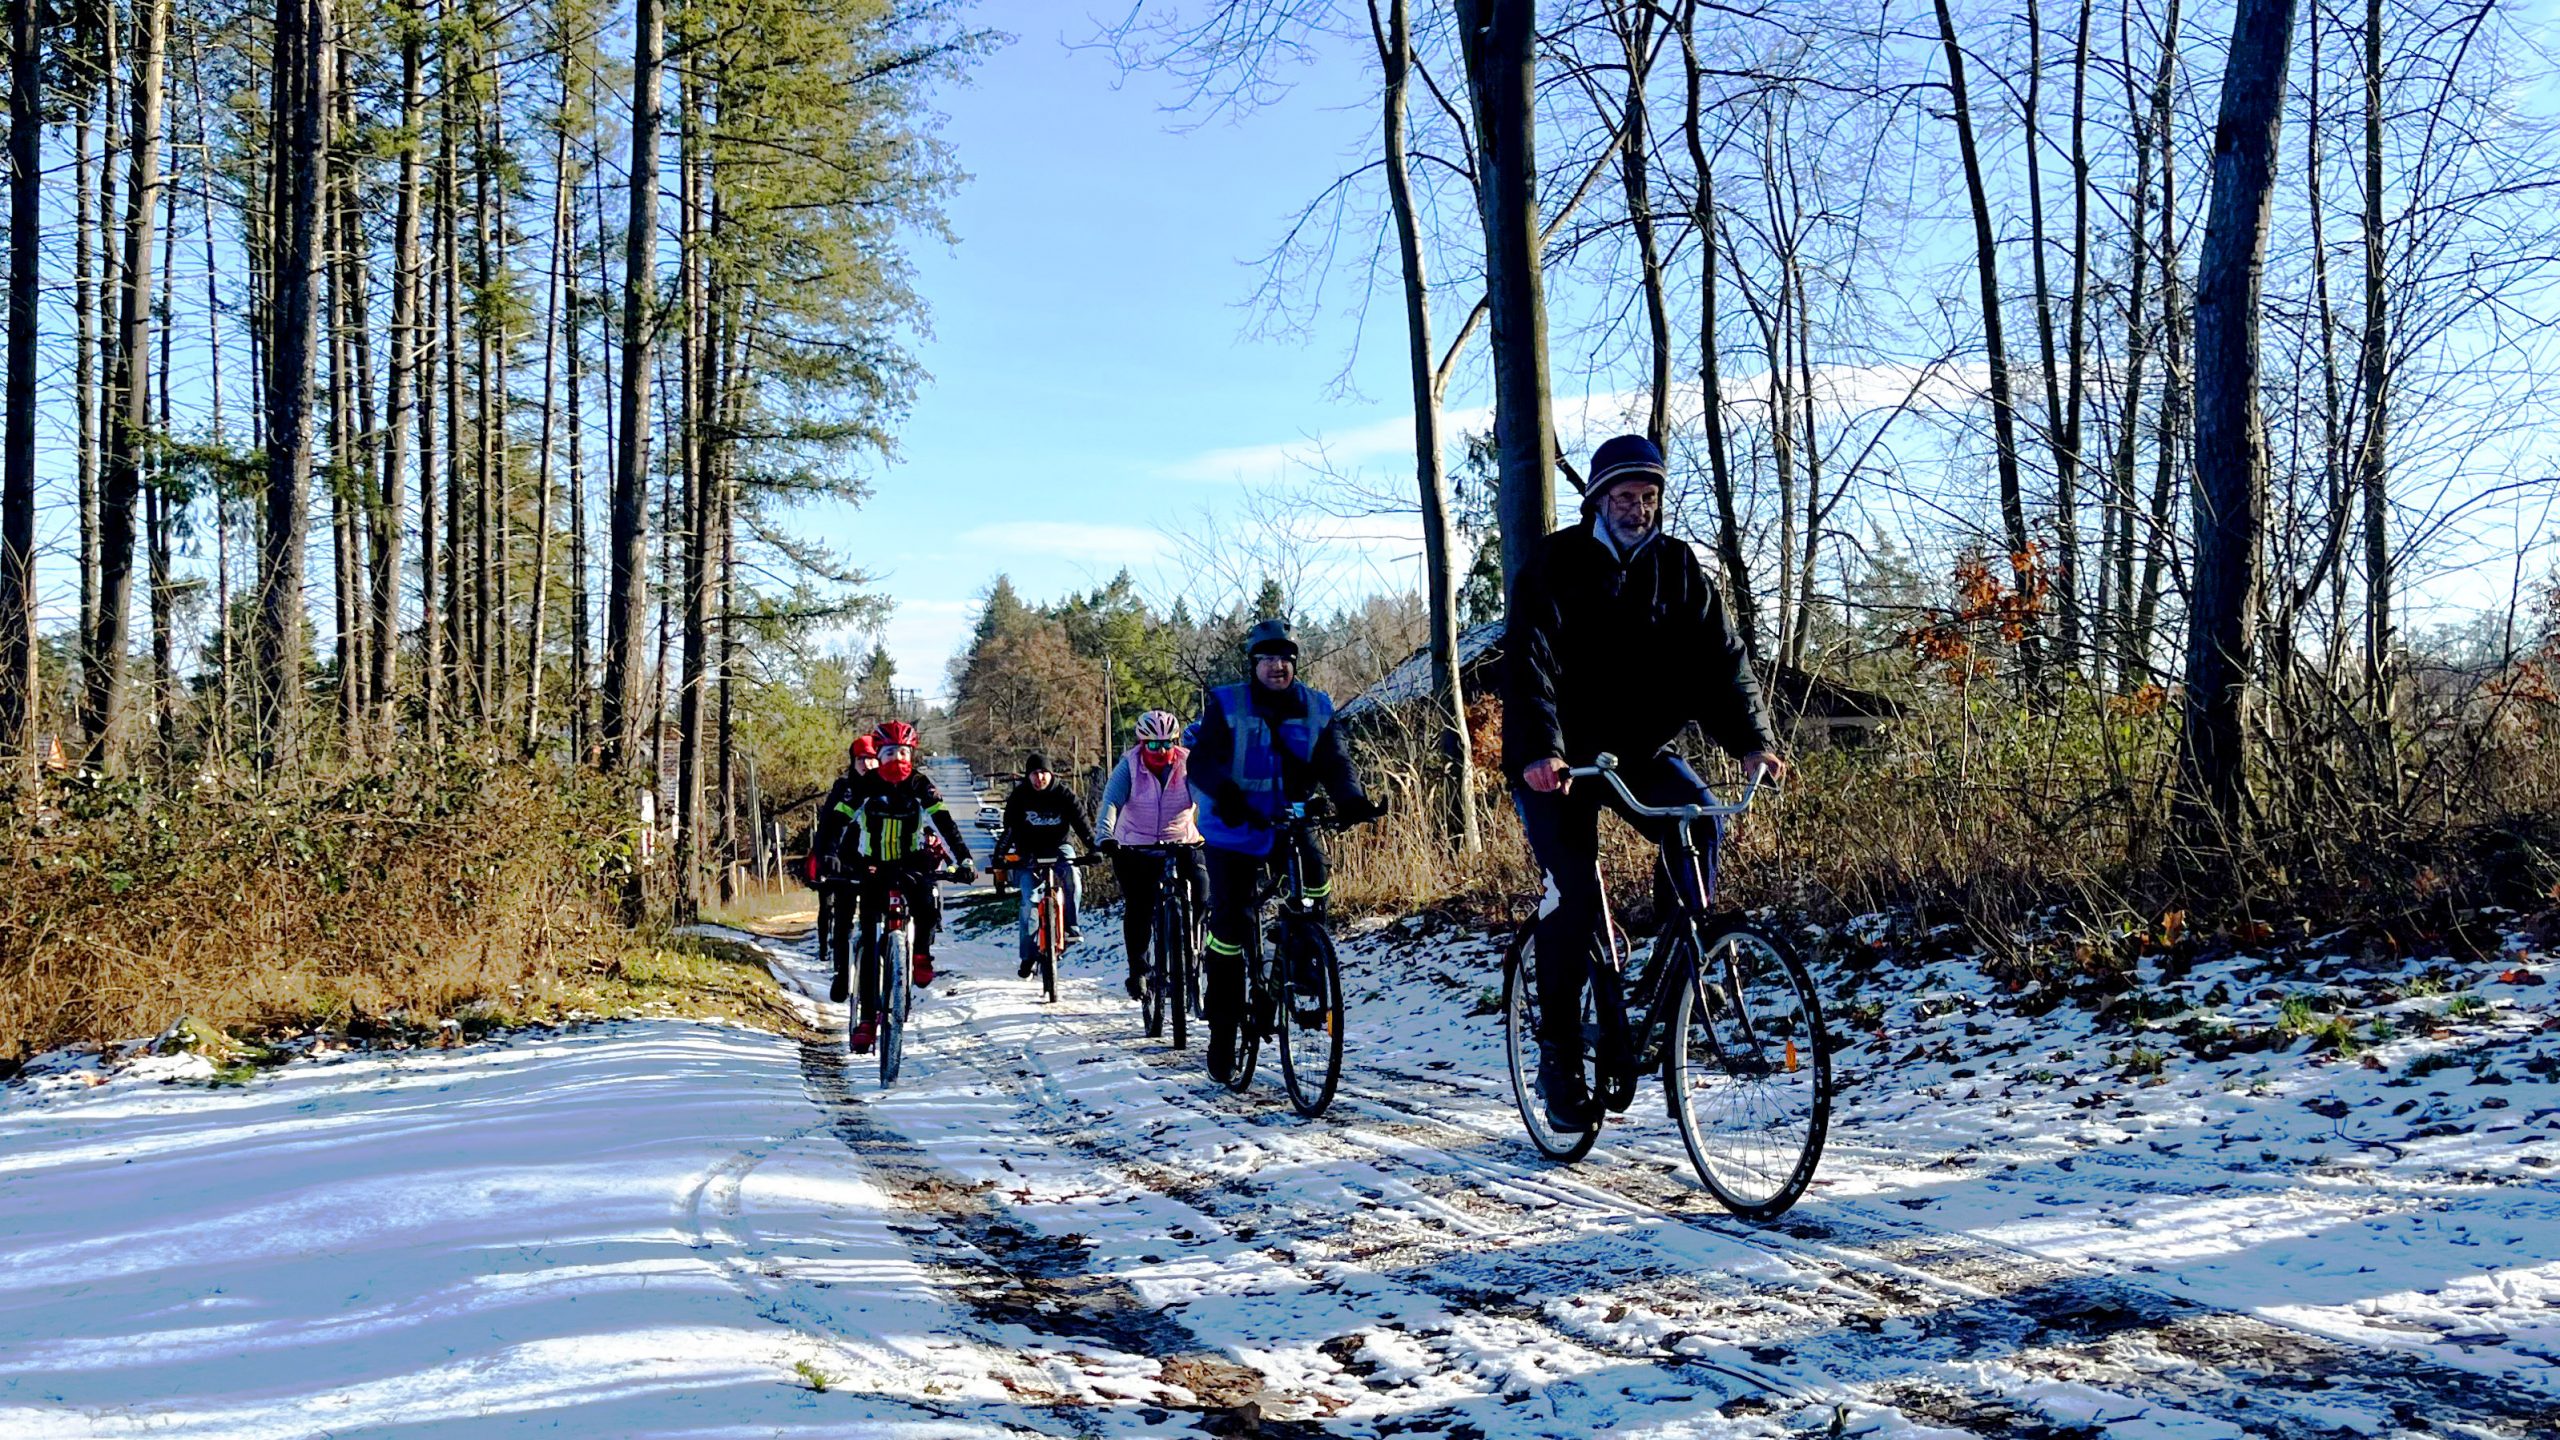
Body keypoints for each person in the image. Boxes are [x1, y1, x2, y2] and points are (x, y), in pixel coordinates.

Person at [1505, 433, 1786, 1129]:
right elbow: (1530, 663)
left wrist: (1753, 743)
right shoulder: (1556, 563)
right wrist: (1541, 751)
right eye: (1626, 496)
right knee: (1572, 896)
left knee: (1700, 818)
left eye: (1649, 496)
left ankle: (1680, 961)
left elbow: (1723, 661)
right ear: (1599, 500)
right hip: (1560, 763)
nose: (1639, 507)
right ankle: (1559, 1056)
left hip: (1638, 752)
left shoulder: (1677, 566)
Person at [1188, 619, 1384, 1081]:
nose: (1278, 666)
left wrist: (1351, 799)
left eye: (1286, 658)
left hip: (1287, 823)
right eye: (1268, 658)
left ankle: (1304, 958)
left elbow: (1335, 761)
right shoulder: (1227, 704)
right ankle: (1223, 1025)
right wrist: (1226, 794)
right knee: (1231, 923)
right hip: (1233, 829)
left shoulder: (1316, 706)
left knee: (1315, 875)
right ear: (1253, 664)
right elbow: (1201, 761)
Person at [823, 720, 976, 1054]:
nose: (898, 758)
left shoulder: (921, 784)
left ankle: (920, 955)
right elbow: (837, 821)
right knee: (868, 939)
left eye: (904, 752)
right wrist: (829, 855)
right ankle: (866, 1020)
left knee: (926, 905)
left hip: (911, 862)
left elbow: (945, 823)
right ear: (879, 754)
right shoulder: (864, 785)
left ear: (912, 754)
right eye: (890, 752)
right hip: (873, 865)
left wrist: (964, 858)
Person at [1096, 709, 1208, 1002]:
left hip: (1181, 841)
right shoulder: (1129, 766)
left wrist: (1215, 829)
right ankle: (1139, 970)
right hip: (1136, 845)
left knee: (1203, 890)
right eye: (1154, 744)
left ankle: (1199, 946)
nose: (1162, 751)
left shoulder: (1188, 763)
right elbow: (1111, 802)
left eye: (1168, 743)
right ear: (1141, 743)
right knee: (1139, 905)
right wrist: (1105, 836)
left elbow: (1204, 799)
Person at [1002, 751, 1100, 977]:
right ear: (1028, 776)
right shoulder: (1019, 797)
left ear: (1051, 774)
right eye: (1034, 774)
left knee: (1072, 875)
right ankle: (1027, 956)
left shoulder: (1064, 794)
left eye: (1044, 773)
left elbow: (1082, 824)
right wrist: (1002, 855)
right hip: (1028, 852)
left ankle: (1071, 927)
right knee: (1028, 901)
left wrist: (1093, 848)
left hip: (1059, 847)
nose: (1039, 778)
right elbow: (1009, 830)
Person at [809, 733, 882, 1004]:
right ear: (853, 761)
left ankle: (882, 974)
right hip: (844, 863)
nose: (867, 764)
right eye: (861, 759)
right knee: (842, 920)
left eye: (872, 759)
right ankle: (841, 972)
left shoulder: (888, 788)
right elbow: (827, 825)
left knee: (875, 922)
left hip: (876, 863)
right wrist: (824, 857)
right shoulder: (843, 788)